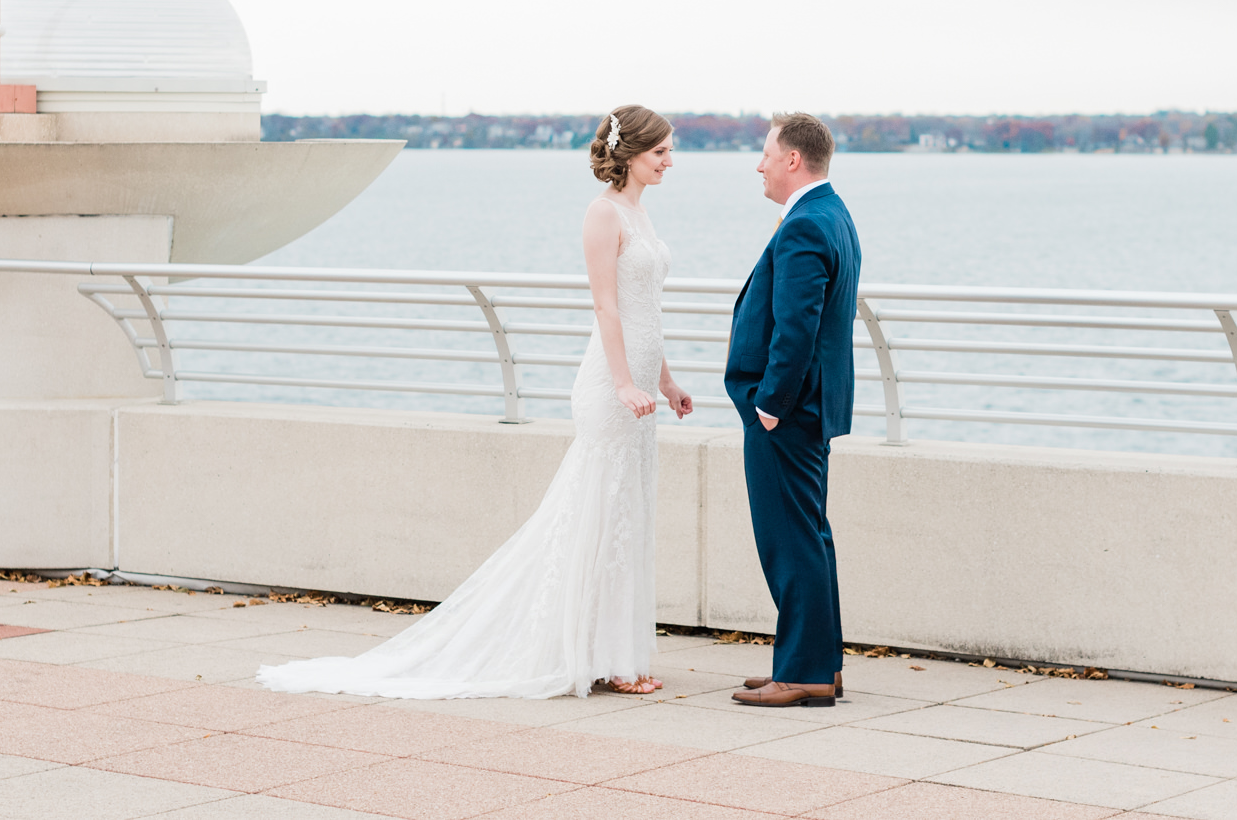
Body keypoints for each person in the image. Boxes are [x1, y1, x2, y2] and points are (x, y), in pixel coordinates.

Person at [255, 104, 695, 699]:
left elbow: (648, 314)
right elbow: (607, 308)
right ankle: (602, 658)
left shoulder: (642, 213)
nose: (671, 161)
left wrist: (664, 381)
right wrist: (622, 382)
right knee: (598, 518)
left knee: (626, 518)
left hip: (641, 388)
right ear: (630, 154)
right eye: (660, 152)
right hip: (611, 388)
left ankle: (614, 652)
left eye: (669, 151)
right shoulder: (603, 213)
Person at [724, 113, 862, 707]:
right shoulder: (833, 213)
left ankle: (803, 672)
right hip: (814, 407)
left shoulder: (805, 224)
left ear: (792, 161)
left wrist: (770, 405)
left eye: (765, 153)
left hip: (789, 410)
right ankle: (816, 663)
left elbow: (797, 324)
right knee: (811, 535)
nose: (758, 164)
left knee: (791, 540)